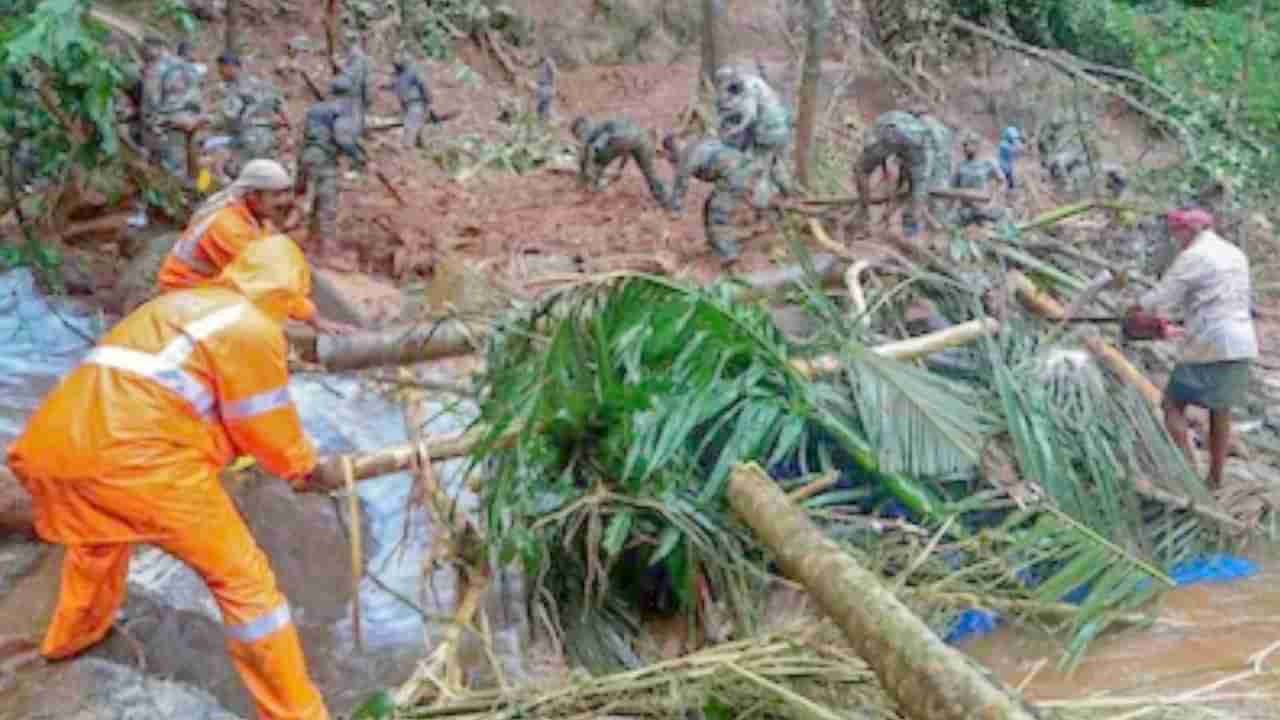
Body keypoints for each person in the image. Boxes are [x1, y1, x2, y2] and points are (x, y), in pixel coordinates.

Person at [6, 235, 339, 720]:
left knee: (97, 541)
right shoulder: (251, 329)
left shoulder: (178, 305)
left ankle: (69, 639)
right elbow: (265, 426)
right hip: (139, 465)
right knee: (247, 584)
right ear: (285, 293)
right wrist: (301, 466)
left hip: (52, 449)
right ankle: (297, 712)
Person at [1131, 208, 1258, 490]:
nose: (1177, 241)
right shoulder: (1235, 253)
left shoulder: (1193, 256)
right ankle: (1215, 479)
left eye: (1178, 235)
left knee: (1172, 404)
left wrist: (1136, 309)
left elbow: (1163, 295)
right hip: (1241, 340)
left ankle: (1188, 470)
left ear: (1188, 230)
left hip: (1210, 341)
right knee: (1220, 410)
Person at [158, 159, 295, 291]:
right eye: (276, 195)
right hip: (184, 289)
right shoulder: (228, 225)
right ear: (253, 196)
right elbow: (261, 278)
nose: (284, 200)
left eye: (285, 193)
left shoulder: (259, 220)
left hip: (210, 286)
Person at [296, 76, 366, 270]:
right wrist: (357, 157)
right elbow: (342, 138)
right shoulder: (341, 109)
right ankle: (327, 252)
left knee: (318, 201)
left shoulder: (315, 109)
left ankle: (311, 240)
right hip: (324, 161)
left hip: (307, 157)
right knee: (329, 204)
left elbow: (304, 136)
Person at [854, 109, 949, 238]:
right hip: (911, 145)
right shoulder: (921, 129)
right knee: (917, 190)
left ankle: (865, 215)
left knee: (861, 169)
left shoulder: (896, 118)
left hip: (900, 139)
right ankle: (908, 229)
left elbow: (876, 145)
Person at [664, 134, 756, 264]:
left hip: (733, 176)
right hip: (743, 168)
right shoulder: (701, 142)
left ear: (673, 149)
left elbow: (680, 185)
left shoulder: (687, 156)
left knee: (717, 213)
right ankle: (715, 243)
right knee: (709, 205)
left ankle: (729, 254)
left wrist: (675, 209)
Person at [714, 65, 794, 209]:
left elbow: (750, 116)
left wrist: (734, 131)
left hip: (768, 132)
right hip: (782, 128)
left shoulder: (747, 89)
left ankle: (760, 210)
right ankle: (788, 192)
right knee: (774, 161)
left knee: (760, 169)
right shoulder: (755, 81)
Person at [217, 52, 289, 180]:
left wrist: (209, 122)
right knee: (265, 174)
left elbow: (230, 116)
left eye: (221, 69)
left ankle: (206, 192)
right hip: (268, 137)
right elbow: (282, 108)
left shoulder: (235, 88)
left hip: (247, 138)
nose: (220, 74)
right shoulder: (264, 84)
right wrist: (285, 130)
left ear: (229, 67)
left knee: (240, 174)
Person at [140, 35, 204, 180]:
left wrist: (151, 127)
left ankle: (182, 197)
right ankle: (201, 191)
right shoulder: (185, 65)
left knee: (172, 170)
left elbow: (151, 102)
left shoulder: (156, 68)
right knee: (195, 164)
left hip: (171, 123)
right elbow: (198, 93)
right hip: (193, 121)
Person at [570, 116, 669, 207]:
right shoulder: (609, 124)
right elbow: (626, 150)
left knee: (598, 159)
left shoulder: (589, 130)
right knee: (650, 173)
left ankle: (592, 188)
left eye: (576, 135)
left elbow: (586, 151)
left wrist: (583, 174)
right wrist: (619, 169)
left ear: (579, 128)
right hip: (640, 138)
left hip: (619, 140)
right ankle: (666, 200)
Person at [951, 134, 1005, 226]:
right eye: (964, 145)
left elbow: (1002, 181)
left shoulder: (988, 163)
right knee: (952, 220)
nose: (967, 147)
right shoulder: (960, 166)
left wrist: (994, 200)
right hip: (966, 210)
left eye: (971, 144)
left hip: (984, 208)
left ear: (977, 146)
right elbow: (953, 190)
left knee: (1001, 215)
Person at [388, 57, 432, 148]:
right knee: (414, 121)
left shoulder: (412, 72)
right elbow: (394, 86)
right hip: (407, 103)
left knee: (411, 123)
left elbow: (422, 84)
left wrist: (427, 97)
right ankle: (418, 143)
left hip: (415, 101)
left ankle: (408, 145)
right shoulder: (397, 75)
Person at [997, 125, 1025, 190]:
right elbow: (1015, 151)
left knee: (1010, 180)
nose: (1014, 139)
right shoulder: (1003, 144)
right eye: (1013, 138)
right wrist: (1019, 148)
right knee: (1006, 181)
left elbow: (1019, 151)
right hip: (1003, 166)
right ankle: (1007, 191)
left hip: (1009, 166)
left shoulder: (1010, 143)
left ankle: (1010, 189)